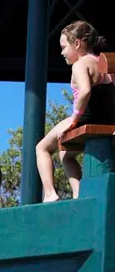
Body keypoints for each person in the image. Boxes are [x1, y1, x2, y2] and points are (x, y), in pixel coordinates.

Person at [37, 21, 114, 202]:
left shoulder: (80, 65)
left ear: (77, 44)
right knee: (65, 154)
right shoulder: (104, 63)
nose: (62, 52)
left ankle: (49, 193)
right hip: (107, 117)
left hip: (87, 116)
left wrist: (74, 118)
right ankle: (78, 193)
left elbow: (86, 91)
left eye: (64, 47)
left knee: (41, 148)